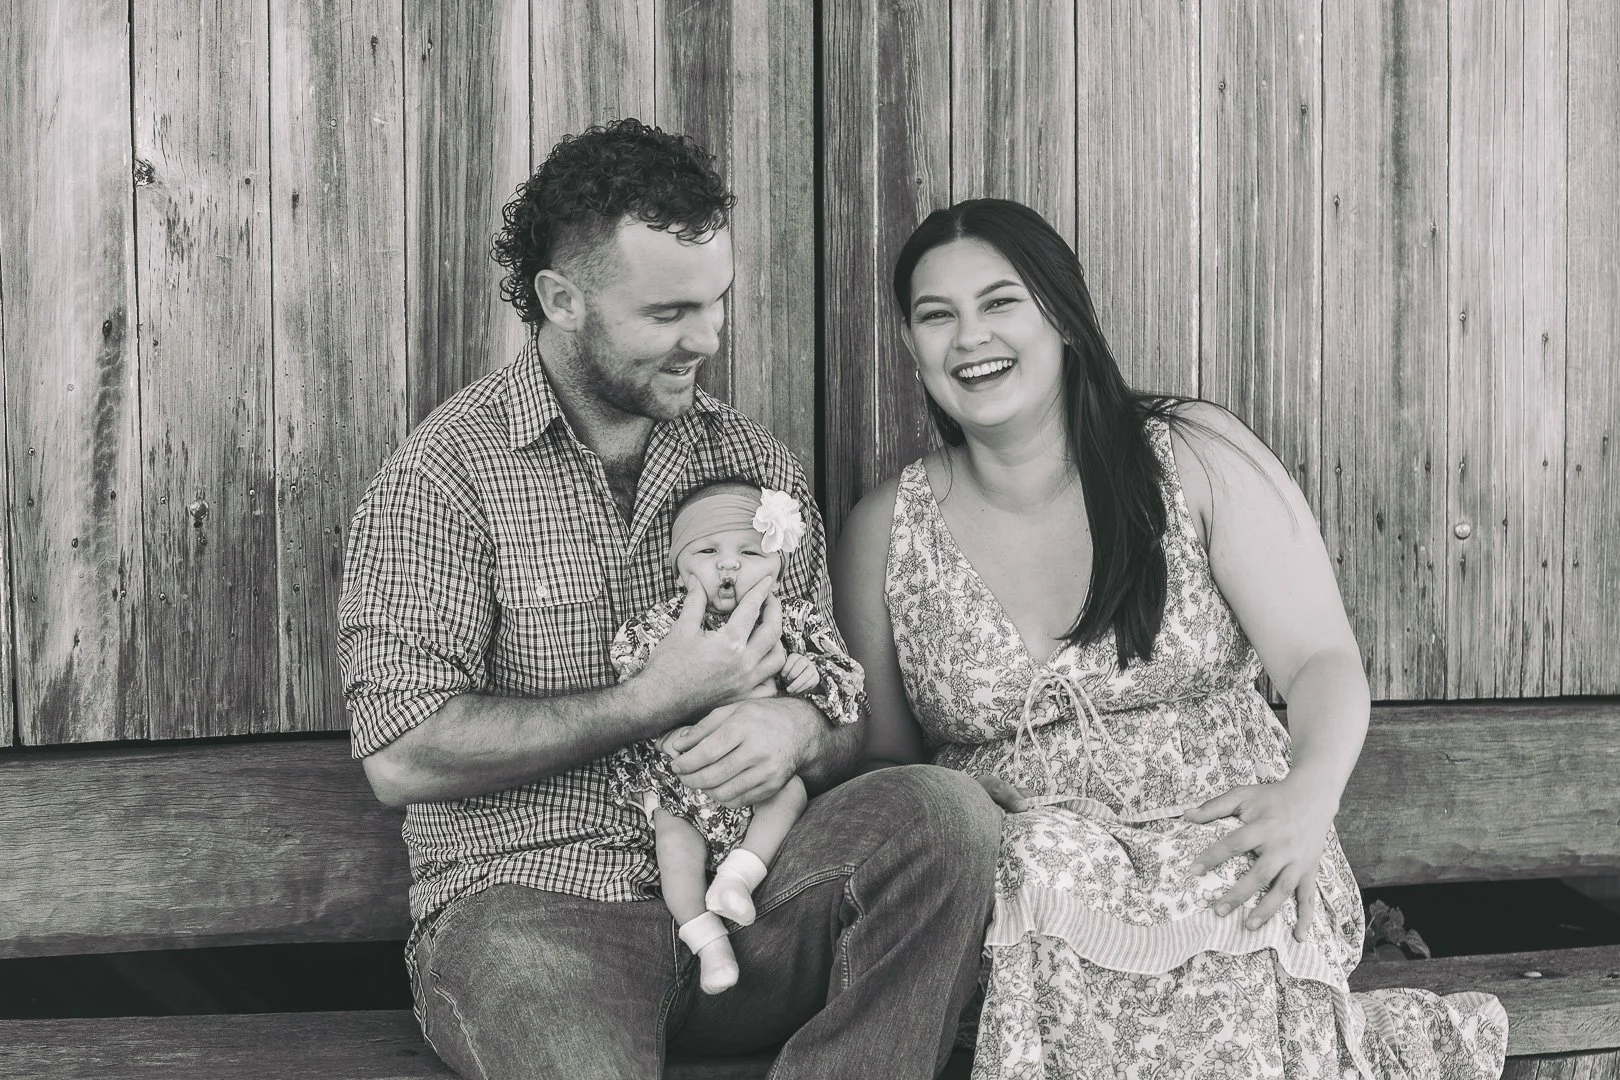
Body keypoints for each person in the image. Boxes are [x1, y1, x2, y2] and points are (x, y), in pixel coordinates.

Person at [337, 119, 999, 1080]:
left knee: (944, 814)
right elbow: (400, 754)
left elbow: (841, 711)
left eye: (717, 300)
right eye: (669, 312)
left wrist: (798, 732)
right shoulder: (442, 478)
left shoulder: (754, 465)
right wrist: (655, 697)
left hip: (752, 904)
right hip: (533, 920)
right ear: (562, 300)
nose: (708, 337)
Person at [832, 197, 1508, 1079]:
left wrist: (1307, 799)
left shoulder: (1189, 455)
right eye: (937, 315)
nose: (971, 338)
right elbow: (886, 766)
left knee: (1227, 887)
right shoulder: (884, 531)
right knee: (1039, 873)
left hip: (1222, 840)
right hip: (1029, 883)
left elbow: (1319, 660)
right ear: (911, 344)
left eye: (1000, 302)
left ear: (1062, 316)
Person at [607, 479, 863, 995]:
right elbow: (636, 686)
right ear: (679, 570)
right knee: (673, 839)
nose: (728, 565)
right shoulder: (665, 625)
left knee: (790, 793)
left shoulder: (796, 619)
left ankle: (737, 880)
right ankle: (707, 942)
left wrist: (811, 676)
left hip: (764, 778)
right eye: (707, 551)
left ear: (778, 567)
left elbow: (849, 686)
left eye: (748, 552)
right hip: (687, 781)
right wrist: (665, 727)